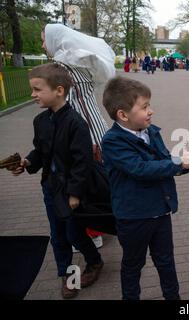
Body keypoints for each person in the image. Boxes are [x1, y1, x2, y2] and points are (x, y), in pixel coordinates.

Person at [101, 76, 189, 300]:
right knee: (133, 264)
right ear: (123, 114)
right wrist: (179, 162)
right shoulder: (112, 141)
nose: (151, 111)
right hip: (134, 217)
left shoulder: (150, 132)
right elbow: (140, 169)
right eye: (145, 107)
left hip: (160, 210)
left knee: (166, 260)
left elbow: (164, 161)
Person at [11, 63, 104, 299]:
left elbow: (82, 163)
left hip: (70, 192)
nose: (33, 94)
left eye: (37, 89)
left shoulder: (76, 123)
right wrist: (28, 163)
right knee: (58, 236)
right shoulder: (40, 122)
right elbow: (41, 152)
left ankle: (94, 261)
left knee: (74, 234)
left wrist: (74, 194)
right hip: (50, 188)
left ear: (59, 90)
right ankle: (68, 276)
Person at [41, 23, 116, 256]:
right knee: (96, 181)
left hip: (81, 135)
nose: (43, 44)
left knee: (85, 183)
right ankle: (100, 226)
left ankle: (92, 234)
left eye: (44, 39)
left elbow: (70, 107)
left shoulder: (61, 69)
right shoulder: (79, 63)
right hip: (95, 128)